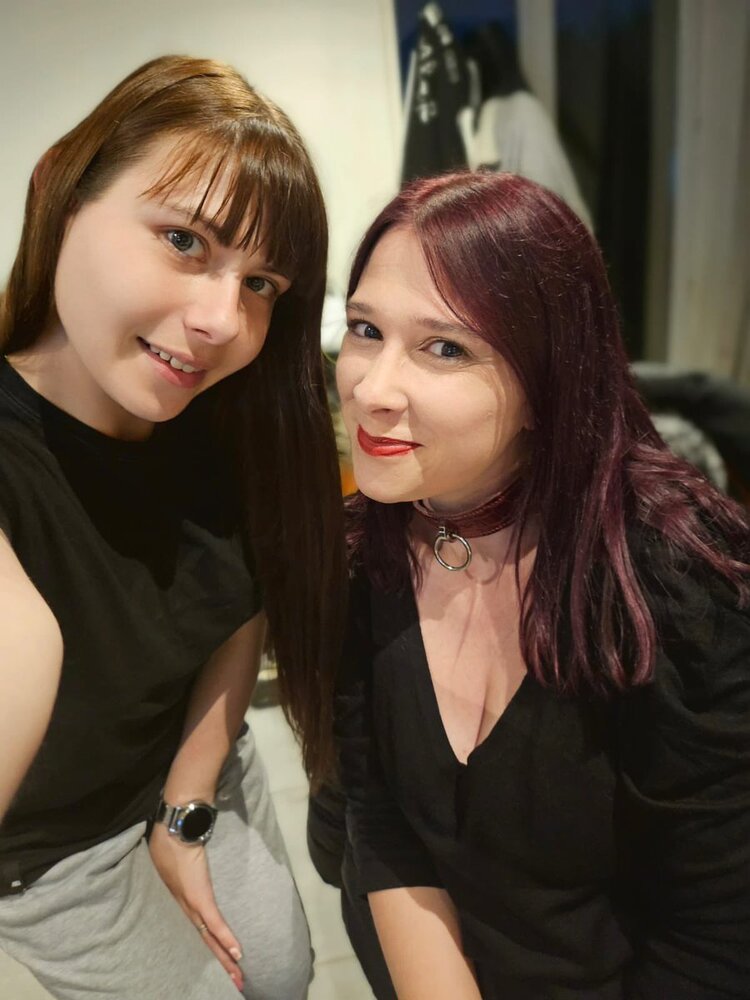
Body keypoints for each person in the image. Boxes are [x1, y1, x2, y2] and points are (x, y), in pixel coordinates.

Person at [328, 172, 750, 998]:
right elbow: (378, 815)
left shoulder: (676, 587)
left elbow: (717, 938)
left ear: (548, 382)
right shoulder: (364, 546)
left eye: (445, 348)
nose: (370, 390)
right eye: (365, 330)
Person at [0, 55, 346, 1000]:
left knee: (282, 974)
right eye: (185, 240)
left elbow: (241, 600)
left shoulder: (222, 418)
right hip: (56, 847)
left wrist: (187, 800)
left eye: (262, 282)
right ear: (61, 192)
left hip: (195, 758)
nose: (221, 321)